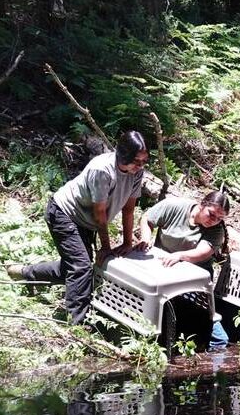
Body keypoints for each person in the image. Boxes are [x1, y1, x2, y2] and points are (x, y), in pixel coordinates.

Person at [8, 131, 148, 325]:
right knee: (81, 267)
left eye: (144, 161)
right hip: (64, 213)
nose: (140, 166)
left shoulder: (137, 173)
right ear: (123, 156)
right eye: (136, 161)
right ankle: (76, 323)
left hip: (86, 220)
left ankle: (25, 273)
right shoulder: (103, 170)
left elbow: (129, 209)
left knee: (74, 268)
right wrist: (105, 248)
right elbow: (100, 215)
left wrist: (127, 243)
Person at [135, 191, 231, 348]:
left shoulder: (217, 230)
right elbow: (147, 218)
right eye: (211, 214)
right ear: (202, 204)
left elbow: (202, 252)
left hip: (194, 283)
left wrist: (179, 255)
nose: (214, 221)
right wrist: (146, 238)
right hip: (163, 271)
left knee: (218, 338)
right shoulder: (175, 206)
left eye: (219, 218)